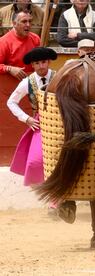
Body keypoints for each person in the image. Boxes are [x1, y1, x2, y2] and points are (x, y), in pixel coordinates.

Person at [6, 47, 56, 196]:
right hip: (40, 123)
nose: (41, 66)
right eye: (37, 63)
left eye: (43, 62)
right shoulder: (27, 82)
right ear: (32, 65)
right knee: (35, 161)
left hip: (60, 121)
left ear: (48, 62)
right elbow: (11, 102)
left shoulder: (59, 76)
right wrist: (26, 118)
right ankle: (48, 195)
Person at [0, 10, 40, 80]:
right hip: (10, 86)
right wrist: (9, 69)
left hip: (31, 83)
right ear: (14, 23)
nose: (28, 24)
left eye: (30, 21)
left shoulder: (35, 38)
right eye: (24, 21)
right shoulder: (3, 42)